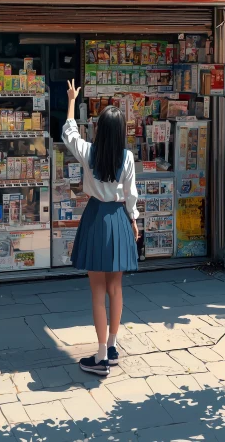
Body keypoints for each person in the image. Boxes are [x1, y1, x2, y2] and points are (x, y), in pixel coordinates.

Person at [62, 80, 139, 377]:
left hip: (95, 217)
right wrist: (133, 221)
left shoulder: (88, 152)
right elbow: (131, 196)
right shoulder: (128, 157)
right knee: (115, 288)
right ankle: (113, 346)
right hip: (119, 219)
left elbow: (69, 132)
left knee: (96, 290)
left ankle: (100, 356)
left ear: (99, 130)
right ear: (120, 132)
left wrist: (71, 100)